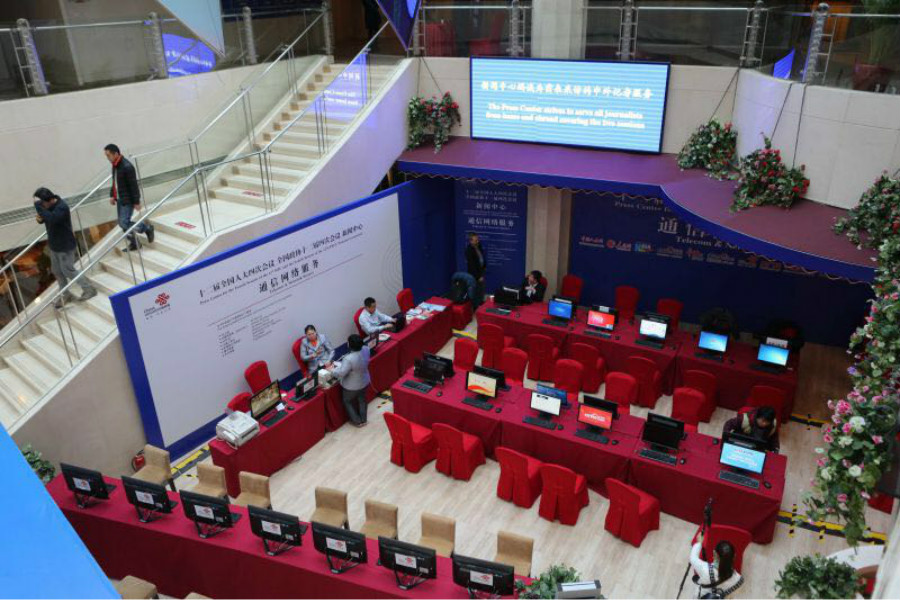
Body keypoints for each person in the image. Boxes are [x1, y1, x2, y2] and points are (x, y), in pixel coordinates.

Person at [33, 188, 97, 307]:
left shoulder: (62, 207)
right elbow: (44, 219)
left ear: (50, 200)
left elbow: (52, 220)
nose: (42, 205)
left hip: (65, 246)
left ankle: (89, 289)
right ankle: (65, 294)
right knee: (57, 271)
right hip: (54, 245)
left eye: (43, 203)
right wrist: (40, 215)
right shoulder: (48, 207)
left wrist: (39, 208)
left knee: (68, 270)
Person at [105, 143, 154, 251]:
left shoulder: (127, 167)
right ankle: (134, 243)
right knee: (123, 224)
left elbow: (133, 185)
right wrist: (112, 195)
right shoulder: (115, 165)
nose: (107, 158)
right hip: (119, 198)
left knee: (124, 223)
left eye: (108, 155)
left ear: (116, 154)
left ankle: (146, 228)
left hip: (127, 200)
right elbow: (115, 182)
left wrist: (136, 201)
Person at [328, 334, 371, 427]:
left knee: (347, 401)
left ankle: (357, 421)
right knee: (362, 400)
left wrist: (331, 370)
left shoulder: (348, 358)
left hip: (352, 386)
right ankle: (364, 419)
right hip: (364, 380)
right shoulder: (366, 349)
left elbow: (341, 373)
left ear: (350, 345)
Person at [465, 232, 487, 308]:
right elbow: (472, 266)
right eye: (475, 240)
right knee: (476, 291)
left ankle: (481, 303)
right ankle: (475, 307)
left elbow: (481, 257)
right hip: (474, 274)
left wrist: (484, 266)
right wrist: (478, 276)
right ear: (470, 241)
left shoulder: (478, 246)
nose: (478, 241)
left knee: (482, 289)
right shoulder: (469, 250)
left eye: (478, 239)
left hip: (481, 271)